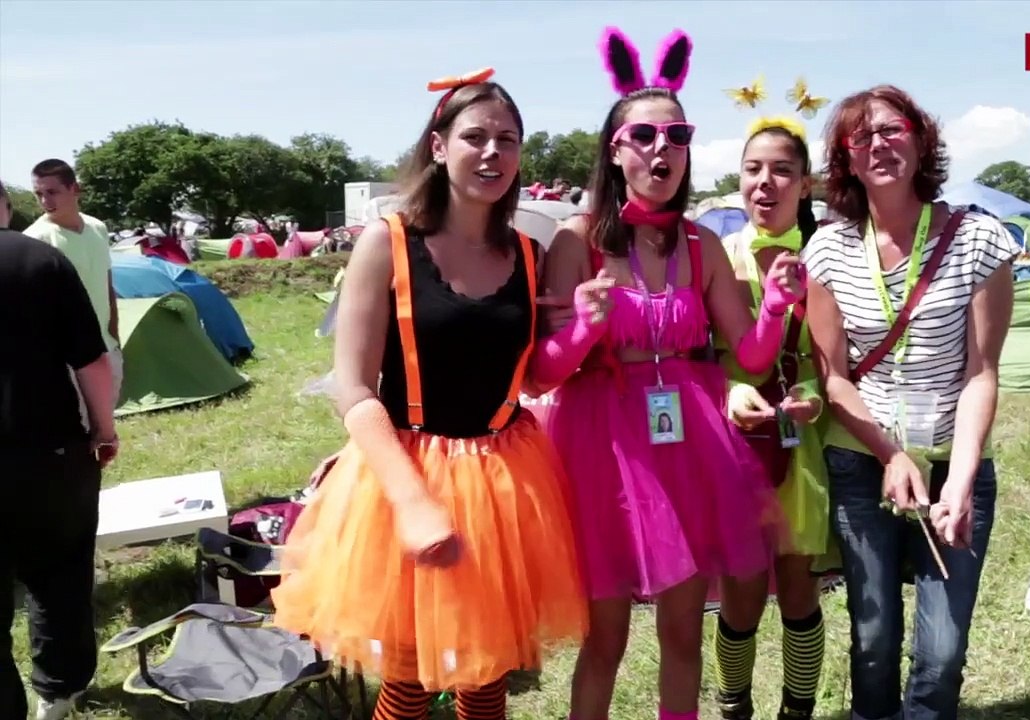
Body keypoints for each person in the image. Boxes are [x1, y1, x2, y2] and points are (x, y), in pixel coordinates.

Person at [269, 68, 590, 720]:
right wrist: (413, 504)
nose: (493, 152)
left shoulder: (529, 255)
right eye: (475, 136)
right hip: (404, 478)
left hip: (505, 477)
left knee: (487, 670)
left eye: (508, 138)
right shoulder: (385, 247)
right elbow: (354, 387)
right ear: (439, 146)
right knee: (410, 676)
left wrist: (586, 331)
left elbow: (531, 380)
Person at [531, 27, 805, 720]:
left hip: (690, 448)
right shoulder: (578, 239)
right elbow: (543, 372)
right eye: (644, 136)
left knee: (684, 632)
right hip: (603, 451)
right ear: (615, 149)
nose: (662, 149)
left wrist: (773, 308)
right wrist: (588, 329)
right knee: (605, 640)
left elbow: (750, 359)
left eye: (676, 135)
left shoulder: (699, 242)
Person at [801, 85, 1018, 720]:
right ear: (846, 157)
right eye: (861, 137)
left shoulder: (979, 238)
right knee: (872, 641)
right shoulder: (829, 249)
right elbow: (834, 376)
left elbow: (983, 372)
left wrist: (963, 478)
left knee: (943, 650)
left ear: (921, 139)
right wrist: (890, 454)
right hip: (863, 463)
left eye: (893, 129)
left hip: (954, 466)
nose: (879, 145)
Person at [713, 105, 837, 720]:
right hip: (731, 447)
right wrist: (729, 389)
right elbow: (699, 355)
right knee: (738, 596)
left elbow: (839, 358)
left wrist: (815, 397)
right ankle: (734, 705)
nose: (766, 183)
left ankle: (798, 709)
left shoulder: (827, 259)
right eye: (753, 169)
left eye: (783, 171)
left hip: (803, 446)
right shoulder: (720, 254)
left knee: (797, 589)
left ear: (805, 185)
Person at [1, 181, 121, 720]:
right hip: (48, 454)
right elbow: (91, 361)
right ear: (4, 207)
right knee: (59, 574)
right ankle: (59, 691)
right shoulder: (40, 260)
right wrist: (104, 429)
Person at [23, 160, 124, 414]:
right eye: (39, 194)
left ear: (75, 189)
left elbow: (106, 283)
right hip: (67, 359)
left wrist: (115, 337)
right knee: (77, 435)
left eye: (52, 192)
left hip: (106, 349)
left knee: (106, 428)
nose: (45, 201)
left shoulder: (98, 228)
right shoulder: (35, 239)